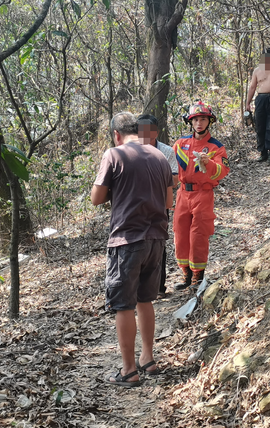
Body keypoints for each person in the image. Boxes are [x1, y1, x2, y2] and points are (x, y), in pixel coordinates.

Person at [91, 112, 174, 387]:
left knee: (123, 304)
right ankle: (148, 358)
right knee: (145, 299)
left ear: (117, 134)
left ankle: (128, 370)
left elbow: (96, 198)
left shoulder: (114, 155)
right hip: (156, 239)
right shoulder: (160, 156)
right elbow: (169, 200)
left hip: (127, 239)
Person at [172, 101, 230, 290]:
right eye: (196, 119)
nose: (199, 123)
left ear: (209, 121)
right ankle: (185, 274)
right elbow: (169, 167)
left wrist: (209, 164)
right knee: (180, 233)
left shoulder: (216, 147)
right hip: (182, 193)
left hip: (203, 194)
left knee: (198, 234)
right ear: (190, 122)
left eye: (203, 119)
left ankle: (198, 275)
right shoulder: (180, 144)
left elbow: (222, 170)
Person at [138, 114, 179, 297]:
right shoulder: (129, 151)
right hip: (135, 206)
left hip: (159, 204)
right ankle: (138, 288)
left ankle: (159, 287)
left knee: (158, 244)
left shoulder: (166, 151)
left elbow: (175, 179)